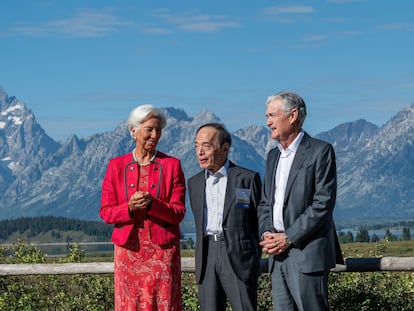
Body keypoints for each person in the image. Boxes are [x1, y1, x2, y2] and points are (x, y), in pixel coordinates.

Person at [258, 92, 344, 311]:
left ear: (293, 115)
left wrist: (288, 237)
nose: (267, 122)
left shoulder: (320, 151)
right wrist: (267, 234)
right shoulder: (272, 156)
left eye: (272, 116)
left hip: (307, 254)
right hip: (276, 256)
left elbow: (322, 203)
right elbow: (265, 203)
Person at [100, 104, 186, 311]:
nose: (155, 135)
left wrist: (152, 205)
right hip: (128, 252)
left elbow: (178, 212)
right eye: (149, 129)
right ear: (133, 130)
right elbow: (106, 212)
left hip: (163, 253)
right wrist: (128, 208)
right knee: (130, 304)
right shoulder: (116, 166)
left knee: (163, 303)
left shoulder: (172, 165)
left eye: (159, 130)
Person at [188, 123, 262, 311]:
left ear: (224, 148)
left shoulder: (247, 178)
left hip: (240, 255)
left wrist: (253, 257)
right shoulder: (194, 183)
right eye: (196, 145)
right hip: (207, 254)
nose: (200, 152)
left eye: (206, 145)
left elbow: (259, 220)